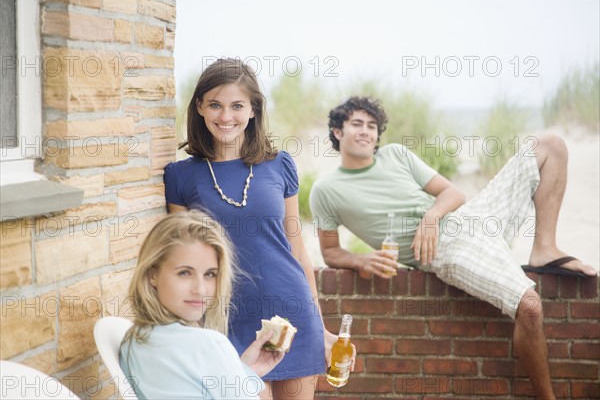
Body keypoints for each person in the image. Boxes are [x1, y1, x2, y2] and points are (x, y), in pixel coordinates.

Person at [310, 96, 598, 400]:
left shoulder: (395, 154)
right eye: (357, 124)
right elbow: (330, 252)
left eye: (372, 125)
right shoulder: (326, 190)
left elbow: (453, 192)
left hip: (470, 217)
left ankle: (544, 247)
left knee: (550, 145)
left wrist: (432, 217)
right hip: (447, 250)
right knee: (529, 306)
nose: (366, 131)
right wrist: (360, 260)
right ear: (337, 132)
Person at [164, 58, 348, 399]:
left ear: (253, 110)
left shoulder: (280, 164)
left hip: (293, 314)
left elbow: (297, 249)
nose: (225, 116)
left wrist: (321, 329)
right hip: (226, 322)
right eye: (215, 105)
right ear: (200, 108)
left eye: (237, 105)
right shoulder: (180, 176)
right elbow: (180, 260)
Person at [119, 210, 285, 399]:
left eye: (210, 274)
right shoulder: (209, 345)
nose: (200, 289)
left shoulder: (132, 341)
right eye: (184, 273)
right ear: (152, 274)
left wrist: (242, 370)